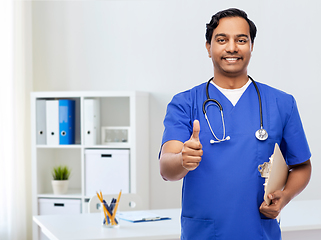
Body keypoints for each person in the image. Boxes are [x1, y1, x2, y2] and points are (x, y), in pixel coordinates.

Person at [159, 8, 312, 240]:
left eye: (241, 40)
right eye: (222, 40)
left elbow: (301, 165)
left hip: (259, 232)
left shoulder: (282, 103)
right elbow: (166, 168)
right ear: (208, 48)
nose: (232, 47)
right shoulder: (185, 103)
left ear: (251, 47)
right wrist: (182, 159)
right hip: (204, 233)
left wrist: (286, 196)